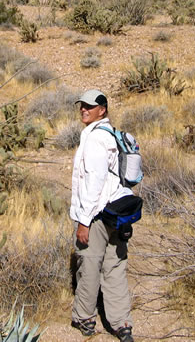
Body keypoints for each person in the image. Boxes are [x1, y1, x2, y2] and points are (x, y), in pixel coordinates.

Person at [70, 89, 134, 342]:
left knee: (90, 264)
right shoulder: (111, 135)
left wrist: (84, 222)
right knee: (116, 266)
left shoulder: (96, 139)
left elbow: (93, 182)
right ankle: (121, 323)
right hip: (117, 210)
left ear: (102, 109)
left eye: (90, 106)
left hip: (96, 213)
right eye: (82, 105)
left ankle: (85, 318)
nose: (84, 109)